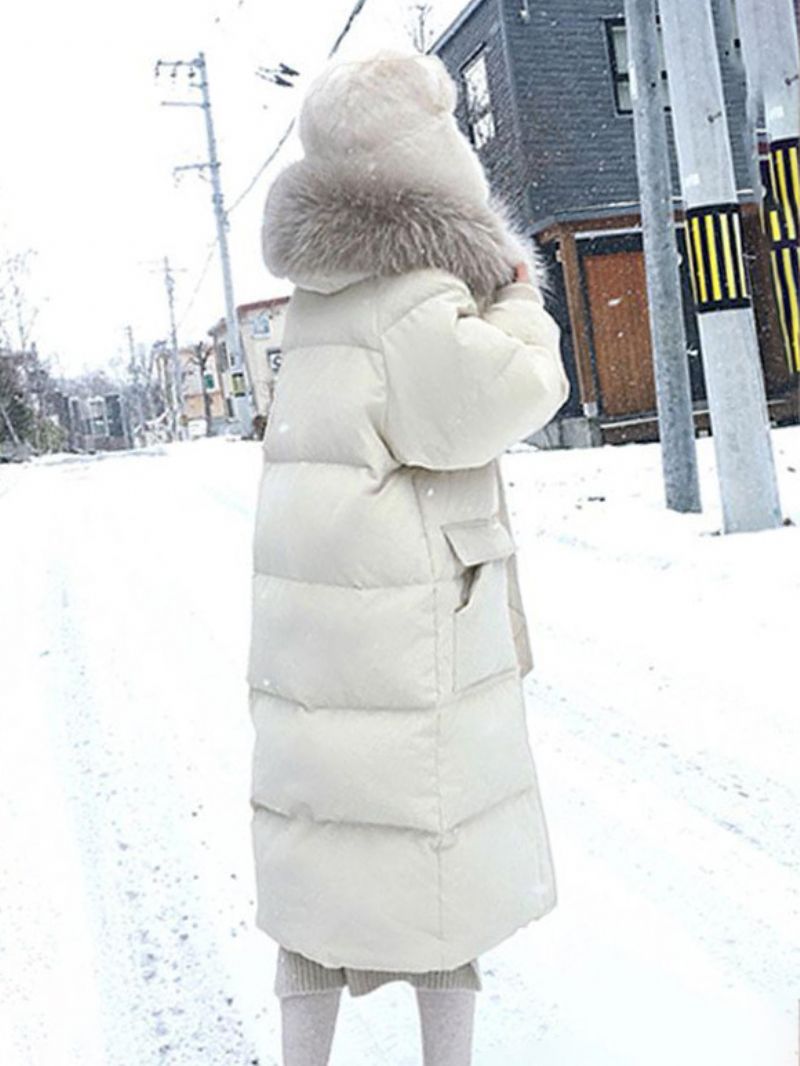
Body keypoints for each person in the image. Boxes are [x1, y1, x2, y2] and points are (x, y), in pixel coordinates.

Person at [247, 49, 569, 1066]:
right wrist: (517, 294)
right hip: (404, 627)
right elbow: (505, 393)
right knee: (435, 873)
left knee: (321, 859)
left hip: (321, 630)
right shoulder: (413, 293)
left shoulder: (319, 294)